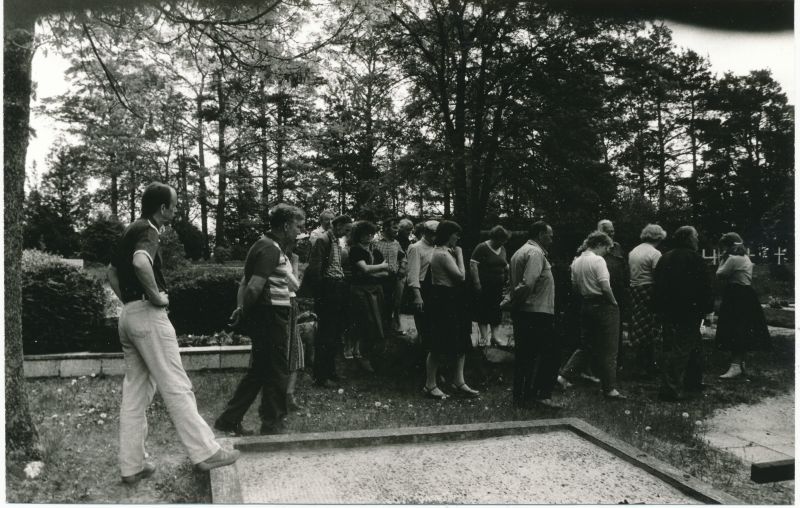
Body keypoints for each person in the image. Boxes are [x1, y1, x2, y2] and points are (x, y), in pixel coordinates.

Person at [108, 182, 239, 484]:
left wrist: (129, 303)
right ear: (163, 208)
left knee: (135, 394)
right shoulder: (149, 230)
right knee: (176, 384)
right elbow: (141, 262)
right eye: (175, 205)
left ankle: (132, 466)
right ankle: (206, 452)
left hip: (128, 315)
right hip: (148, 316)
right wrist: (154, 296)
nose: (176, 210)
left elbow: (112, 272)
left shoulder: (131, 228)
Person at [215, 204, 306, 435]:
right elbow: (254, 287)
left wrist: (240, 309)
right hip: (271, 315)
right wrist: (244, 311)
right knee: (277, 370)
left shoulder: (263, 245)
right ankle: (272, 423)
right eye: (297, 226)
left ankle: (229, 420)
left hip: (268, 314)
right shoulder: (270, 249)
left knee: (259, 371)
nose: (299, 231)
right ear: (285, 226)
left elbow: (245, 283)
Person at [559, 231, 626, 400]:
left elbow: (574, 287)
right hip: (603, 304)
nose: (606, 252)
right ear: (600, 245)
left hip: (585, 304)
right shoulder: (598, 260)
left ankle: (564, 376)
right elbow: (605, 285)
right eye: (606, 248)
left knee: (587, 345)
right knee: (610, 348)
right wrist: (614, 303)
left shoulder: (576, 262)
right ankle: (610, 388)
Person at [653, 226, 714, 401]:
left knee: (690, 345)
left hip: (668, 309)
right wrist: (708, 308)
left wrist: (658, 309)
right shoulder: (695, 259)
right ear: (688, 239)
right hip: (689, 310)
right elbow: (705, 286)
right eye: (695, 236)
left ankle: (693, 381)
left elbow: (657, 285)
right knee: (681, 348)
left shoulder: (665, 257)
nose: (697, 239)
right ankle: (669, 389)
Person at [507, 221, 561, 409]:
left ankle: (521, 397)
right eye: (550, 234)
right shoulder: (536, 253)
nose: (552, 239)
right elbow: (528, 283)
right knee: (552, 354)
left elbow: (515, 283)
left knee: (525, 356)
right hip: (536, 312)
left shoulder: (519, 252)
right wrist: (516, 300)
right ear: (540, 234)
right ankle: (541, 395)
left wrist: (512, 301)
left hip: (526, 312)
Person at [423, 220, 479, 399]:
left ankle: (459, 381)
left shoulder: (447, 252)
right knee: (439, 344)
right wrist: (461, 255)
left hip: (454, 299)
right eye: (456, 234)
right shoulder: (442, 254)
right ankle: (430, 385)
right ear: (448, 235)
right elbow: (461, 276)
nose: (458, 238)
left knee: (461, 340)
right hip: (444, 300)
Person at [298, 214, 353, 387]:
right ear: (337, 226)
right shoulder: (323, 240)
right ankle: (321, 376)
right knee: (325, 334)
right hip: (328, 291)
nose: (347, 233)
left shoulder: (336, 242)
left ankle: (330, 371)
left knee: (335, 333)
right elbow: (315, 270)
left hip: (337, 288)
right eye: (346, 229)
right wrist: (323, 293)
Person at [715, 232, 770, 379]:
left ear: (728, 246)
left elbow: (720, 274)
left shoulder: (732, 259)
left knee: (735, 329)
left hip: (735, 294)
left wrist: (722, 260)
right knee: (742, 328)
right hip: (747, 294)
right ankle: (741, 363)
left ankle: (735, 366)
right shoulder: (745, 257)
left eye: (724, 247)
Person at [348, 220, 391, 372]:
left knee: (378, 322)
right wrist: (380, 267)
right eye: (366, 234)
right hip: (361, 290)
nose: (369, 236)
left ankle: (371, 356)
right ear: (358, 235)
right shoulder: (355, 250)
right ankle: (359, 355)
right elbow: (364, 269)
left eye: (371, 234)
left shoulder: (375, 251)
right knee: (366, 321)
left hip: (375, 289)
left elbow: (387, 272)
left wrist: (374, 270)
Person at [627, 224, 667, 378]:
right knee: (650, 327)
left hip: (635, 289)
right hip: (649, 290)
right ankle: (647, 365)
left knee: (639, 326)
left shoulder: (634, 251)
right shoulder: (655, 253)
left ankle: (640, 364)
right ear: (658, 237)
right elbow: (659, 275)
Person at [597, 220, 630, 372]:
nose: (612, 233)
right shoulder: (596, 247)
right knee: (601, 330)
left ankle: (617, 363)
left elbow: (624, 267)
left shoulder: (617, 247)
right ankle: (600, 365)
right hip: (601, 292)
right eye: (608, 231)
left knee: (617, 329)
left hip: (618, 292)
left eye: (613, 230)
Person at [470, 225, 511, 348]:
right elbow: (473, 265)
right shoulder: (482, 247)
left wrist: (509, 274)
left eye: (504, 240)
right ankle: (484, 338)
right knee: (483, 310)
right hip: (484, 286)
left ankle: (495, 337)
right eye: (501, 240)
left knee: (496, 310)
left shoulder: (502, 248)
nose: (503, 242)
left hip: (498, 286)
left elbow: (504, 264)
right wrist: (477, 283)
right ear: (494, 238)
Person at [406, 220, 439, 346]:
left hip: (435, 287)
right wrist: (417, 296)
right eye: (433, 234)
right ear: (426, 233)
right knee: (423, 325)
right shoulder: (415, 248)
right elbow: (413, 274)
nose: (435, 237)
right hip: (422, 288)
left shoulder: (437, 247)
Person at [373, 217, 406, 333]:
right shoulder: (375, 242)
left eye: (398, 228)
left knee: (395, 303)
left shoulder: (396, 243)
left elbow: (403, 257)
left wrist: (402, 267)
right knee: (382, 304)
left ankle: (396, 327)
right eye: (394, 227)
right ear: (386, 228)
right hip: (380, 278)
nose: (397, 230)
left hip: (395, 277)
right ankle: (382, 329)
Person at [285, 248, 305, 411]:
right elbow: (295, 285)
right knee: (288, 349)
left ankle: (288, 394)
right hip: (281, 306)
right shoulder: (278, 256)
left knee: (294, 349)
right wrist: (295, 263)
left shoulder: (288, 257)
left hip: (290, 304)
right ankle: (282, 394)